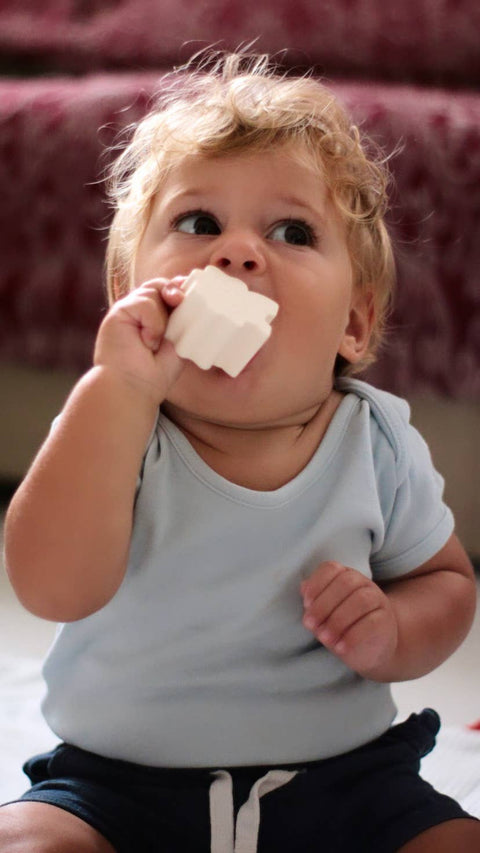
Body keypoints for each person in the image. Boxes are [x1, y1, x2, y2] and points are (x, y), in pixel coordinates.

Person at [1, 51, 479, 853]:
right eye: (199, 223)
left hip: (344, 776)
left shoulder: (377, 442)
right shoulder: (118, 428)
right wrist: (115, 388)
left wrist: (394, 628)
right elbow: (49, 585)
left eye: (292, 231)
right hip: (117, 782)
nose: (237, 253)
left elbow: (448, 584)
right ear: (130, 291)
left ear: (353, 326)